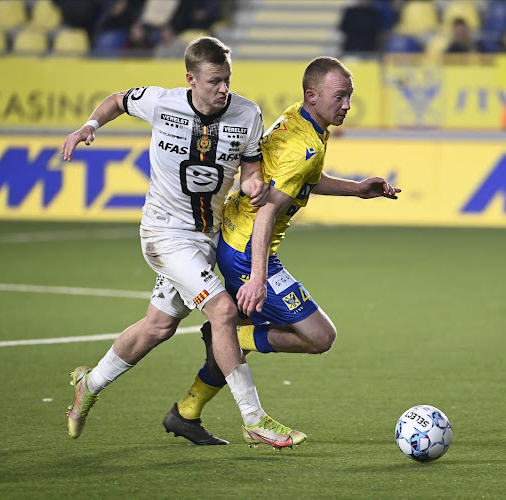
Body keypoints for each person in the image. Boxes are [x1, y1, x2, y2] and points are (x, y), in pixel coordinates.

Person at [61, 36, 305, 449]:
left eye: (227, 79)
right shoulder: (161, 101)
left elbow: (249, 169)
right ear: (190, 78)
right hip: (164, 233)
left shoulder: (247, 113)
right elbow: (118, 100)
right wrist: (90, 125)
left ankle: (91, 382)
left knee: (158, 327)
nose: (223, 88)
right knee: (223, 312)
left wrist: (252, 185)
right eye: (214, 81)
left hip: (208, 237)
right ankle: (254, 420)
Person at [162, 56, 401, 445]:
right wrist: (257, 278)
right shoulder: (303, 146)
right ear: (313, 95)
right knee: (320, 337)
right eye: (340, 97)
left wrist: (357, 189)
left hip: (240, 241)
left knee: (247, 333)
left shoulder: (301, 120)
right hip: (246, 250)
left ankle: (186, 412)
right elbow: (268, 210)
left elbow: (300, 181)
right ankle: (234, 338)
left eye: (350, 97)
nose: (347, 106)